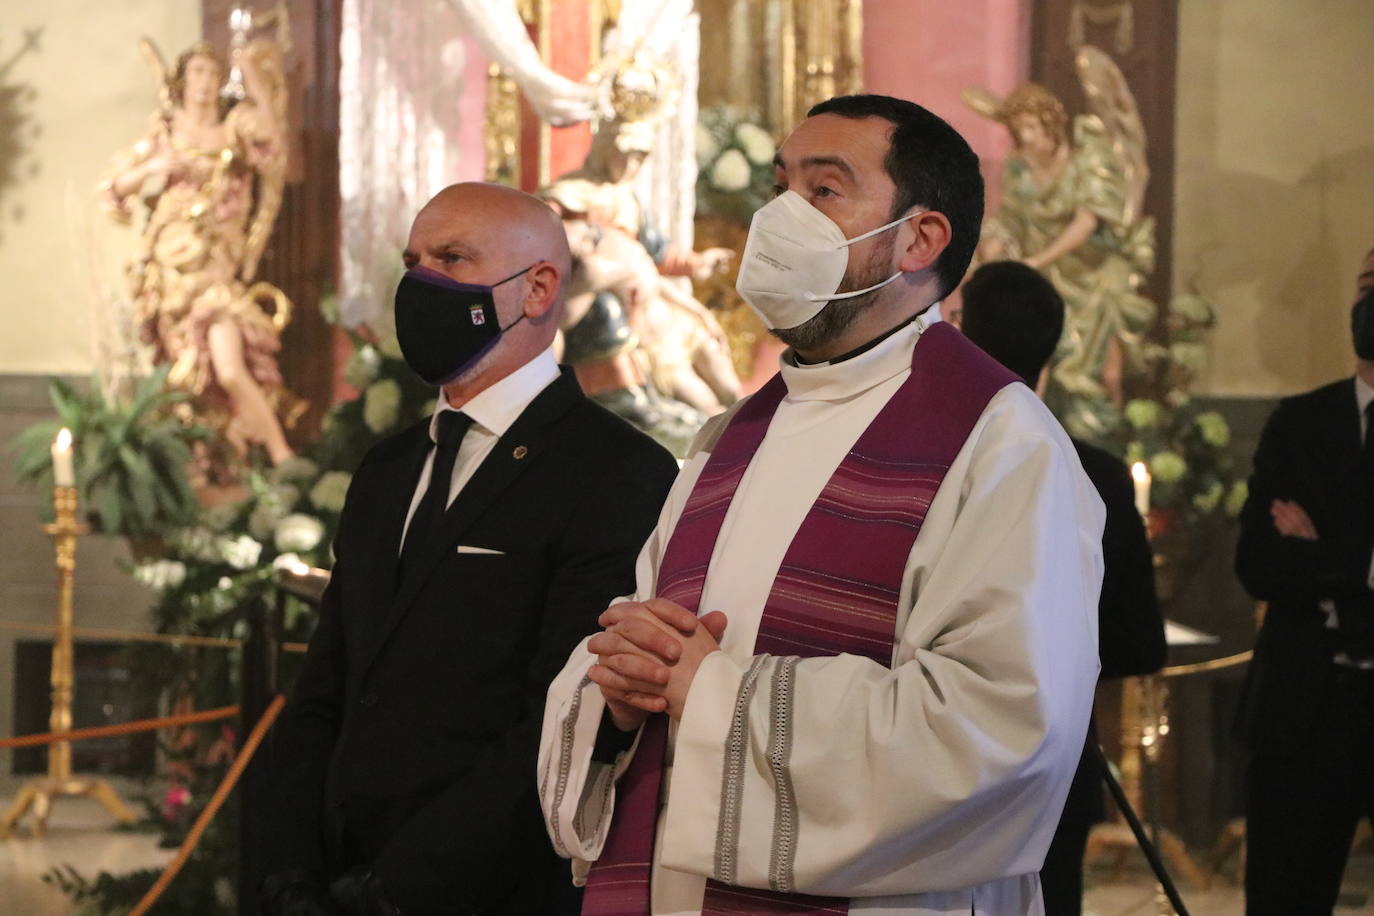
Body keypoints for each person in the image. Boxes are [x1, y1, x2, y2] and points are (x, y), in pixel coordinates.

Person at [538, 94, 1105, 915]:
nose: (780, 217)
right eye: (781, 186)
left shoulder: (1000, 443)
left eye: (824, 190)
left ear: (921, 238)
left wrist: (717, 697)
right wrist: (619, 698)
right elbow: (640, 639)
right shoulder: (728, 435)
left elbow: (1002, 728)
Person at [260, 183, 680, 915]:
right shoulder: (388, 469)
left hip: (482, 889)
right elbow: (326, 688)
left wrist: (392, 891)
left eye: (452, 259)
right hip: (334, 876)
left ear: (539, 288)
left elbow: (558, 716)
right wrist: (288, 873)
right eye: (413, 260)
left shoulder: (616, 472)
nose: (421, 283)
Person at [959, 260, 1166, 916]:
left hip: (943, 762)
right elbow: (1139, 644)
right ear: (1049, 352)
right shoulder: (1097, 475)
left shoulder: (924, 463)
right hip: (1054, 765)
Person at [1234, 247, 1374, 915]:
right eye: (1367, 283)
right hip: (1304, 709)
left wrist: (1321, 554)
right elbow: (1259, 562)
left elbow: (1296, 563)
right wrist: (1364, 565)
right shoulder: (1301, 422)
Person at [102, 39, 297, 467]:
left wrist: (252, 75)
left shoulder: (234, 128)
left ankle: (282, 458)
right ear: (182, 81)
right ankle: (205, 464)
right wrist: (155, 169)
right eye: (197, 74)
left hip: (216, 265)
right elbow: (114, 186)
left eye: (213, 74)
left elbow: (271, 137)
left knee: (228, 367)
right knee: (186, 373)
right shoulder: (165, 132)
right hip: (171, 269)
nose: (205, 84)